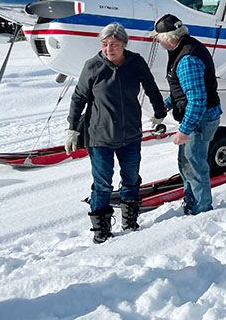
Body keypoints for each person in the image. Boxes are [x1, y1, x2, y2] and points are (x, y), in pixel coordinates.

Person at [65, 23, 166, 244]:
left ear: (124, 45)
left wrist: (160, 114)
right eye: (104, 44)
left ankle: (129, 222)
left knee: (131, 180)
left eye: (114, 44)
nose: (109, 49)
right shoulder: (92, 66)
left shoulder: (135, 62)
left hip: (130, 134)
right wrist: (72, 128)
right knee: (102, 184)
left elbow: (151, 88)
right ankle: (101, 231)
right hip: (99, 136)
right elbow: (78, 98)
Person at [151, 13, 222, 216]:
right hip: (196, 117)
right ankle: (191, 200)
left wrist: (184, 130)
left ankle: (202, 209)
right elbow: (183, 90)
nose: (158, 42)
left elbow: (198, 101)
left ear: (168, 39)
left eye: (158, 38)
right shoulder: (182, 48)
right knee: (185, 162)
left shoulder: (187, 59)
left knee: (194, 162)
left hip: (201, 119)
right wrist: (167, 105)